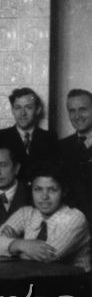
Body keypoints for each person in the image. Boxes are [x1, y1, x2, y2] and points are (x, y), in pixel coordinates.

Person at [0, 162, 91, 272]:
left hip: (73, 283)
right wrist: (20, 244)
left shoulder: (75, 218)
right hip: (34, 278)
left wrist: (11, 246)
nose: (44, 196)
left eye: (52, 190)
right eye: (38, 189)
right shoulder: (25, 213)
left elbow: (48, 257)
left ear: (63, 191)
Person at [0, 87, 59, 185]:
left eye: (28, 107)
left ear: (38, 109)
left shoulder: (50, 138)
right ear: (12, 110)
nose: (22, 113)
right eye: (18, 108)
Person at [59, 89, 92, 225]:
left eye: (82, 109)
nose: (77, 115)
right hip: (71, 225)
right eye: (72, 111)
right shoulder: (61, 147)